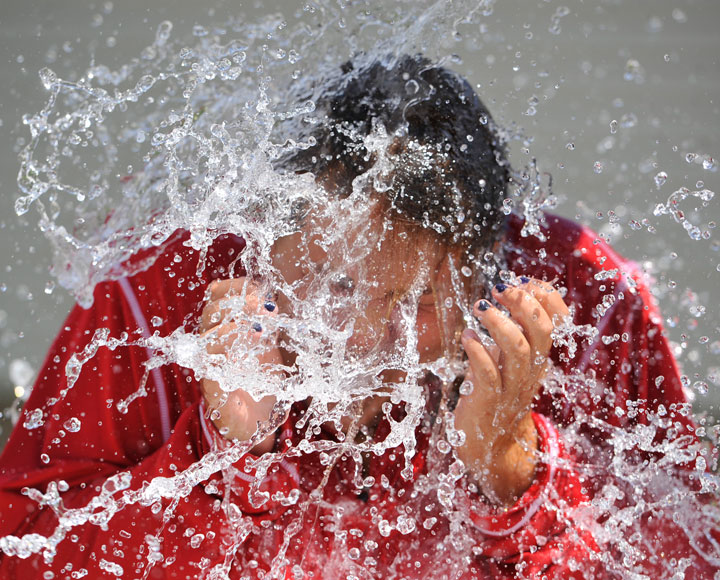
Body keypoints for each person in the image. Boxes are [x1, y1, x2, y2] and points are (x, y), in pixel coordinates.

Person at [0, 55, 715, 579]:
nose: (366, 343)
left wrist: (512, 470)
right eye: (334, 286)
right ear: (273, 228)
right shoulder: (154, 300)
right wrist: (220, 461)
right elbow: (21, 552)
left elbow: (690, 556)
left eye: (419, 302)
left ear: (486, 266)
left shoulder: (587, 306)